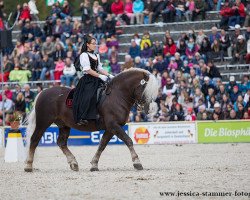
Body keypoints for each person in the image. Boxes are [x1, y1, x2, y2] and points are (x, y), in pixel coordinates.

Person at [73, 35, 114, 125]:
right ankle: (83, 117)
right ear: (88, 45)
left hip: (97, 78)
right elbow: (87, 69)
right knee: (89, 96)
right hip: (88, 79)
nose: (95, 45)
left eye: (96, 43)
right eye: (93, 44)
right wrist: (99, 76)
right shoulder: (84, 55)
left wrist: (108, 74)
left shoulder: (96, 55)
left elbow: (99, 68)